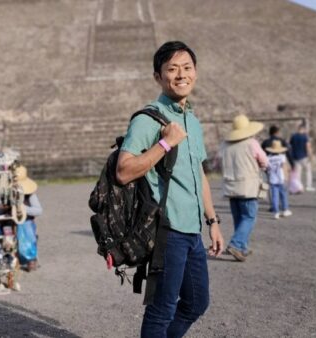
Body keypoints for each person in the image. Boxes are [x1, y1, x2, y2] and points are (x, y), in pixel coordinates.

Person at [115, 41, 224, 338]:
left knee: (196, 303)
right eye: (172, 69)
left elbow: (198, 173)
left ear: (196, 73)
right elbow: (124, 171)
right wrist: (165, 144)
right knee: (161, 310)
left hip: (193, 231)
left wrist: (213, 222)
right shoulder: (147, 119)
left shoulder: (193, 120)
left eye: (187, 68)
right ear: (158, 76)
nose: (180, 75)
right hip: (167, 230)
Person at [219, 114, 267, 262]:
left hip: (231, 186)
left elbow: (216, 163)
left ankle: (242, 246)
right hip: (248, 186)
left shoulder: (225, 145)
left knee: (238, 217)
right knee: (248, 217)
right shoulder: (251, 143)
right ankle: (236, 244)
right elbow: (264, 161)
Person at [0, 165, 42, 271]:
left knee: (24, 230)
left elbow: (38, 210)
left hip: (24, 223)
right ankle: (1, 258)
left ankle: (30, 258)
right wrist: (3, 208)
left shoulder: (29, 195)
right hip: (6, 224)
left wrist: (21, 208)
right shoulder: (3, 194)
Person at [265, 140, 292, 219]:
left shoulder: (268, 158)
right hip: (281, 178)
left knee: (274, 196)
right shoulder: (282, 157)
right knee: (283, 195)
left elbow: (267, 168)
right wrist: (287, 177)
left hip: (272, 179)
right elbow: (284, 168)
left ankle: (276, 212)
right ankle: (285, 209)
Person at [289, 124, 315, 191]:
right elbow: (307, 147)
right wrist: (310, 155)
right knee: (308, 171)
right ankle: (308, 186)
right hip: (304, 157)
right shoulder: (304, 137)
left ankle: (299, 186)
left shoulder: (293, 136)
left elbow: (290, 146)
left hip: (295, 157)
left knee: (298, 173)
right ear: (303, 129)